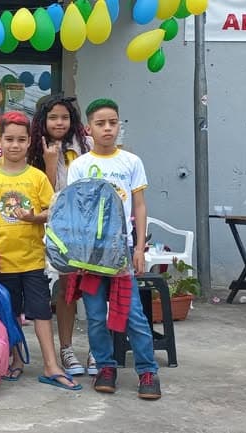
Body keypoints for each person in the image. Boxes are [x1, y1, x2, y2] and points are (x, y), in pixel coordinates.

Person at [66, 98, 161, 400]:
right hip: (91, 254)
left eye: (113, 122)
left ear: (119, 125)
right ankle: (106, 367)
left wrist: (140, 247)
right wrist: (76, 253)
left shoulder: (131, 162)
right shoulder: (79, 165)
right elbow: (74, 209)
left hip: (122, 252)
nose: (107, 128)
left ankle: (148, 371)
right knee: (95, 316)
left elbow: (139, 206)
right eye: (100, 123)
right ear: (88, 129)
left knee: (133, 314)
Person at [0, 111, 80, 390]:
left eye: (21, 140)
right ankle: (16, 360)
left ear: (29, 142)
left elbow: (52, 211)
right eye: (9, 139)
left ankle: (50, 365)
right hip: (3, 262)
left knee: (41, 313)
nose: (15, 145)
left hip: (33, 261)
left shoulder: (37, 178)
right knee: (9, 314)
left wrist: (33, 217)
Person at [28, 94, 90, 376]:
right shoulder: (34, 148)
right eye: (53, 117)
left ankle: (96, 349)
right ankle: (66, 348)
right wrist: (50, 162)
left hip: (86, 226)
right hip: (55, 229)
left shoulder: (85, 144)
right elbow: (46, 198)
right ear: (43, 120)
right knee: (66, 289)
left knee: (92, 288)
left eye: (64, 117)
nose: (59, 122)